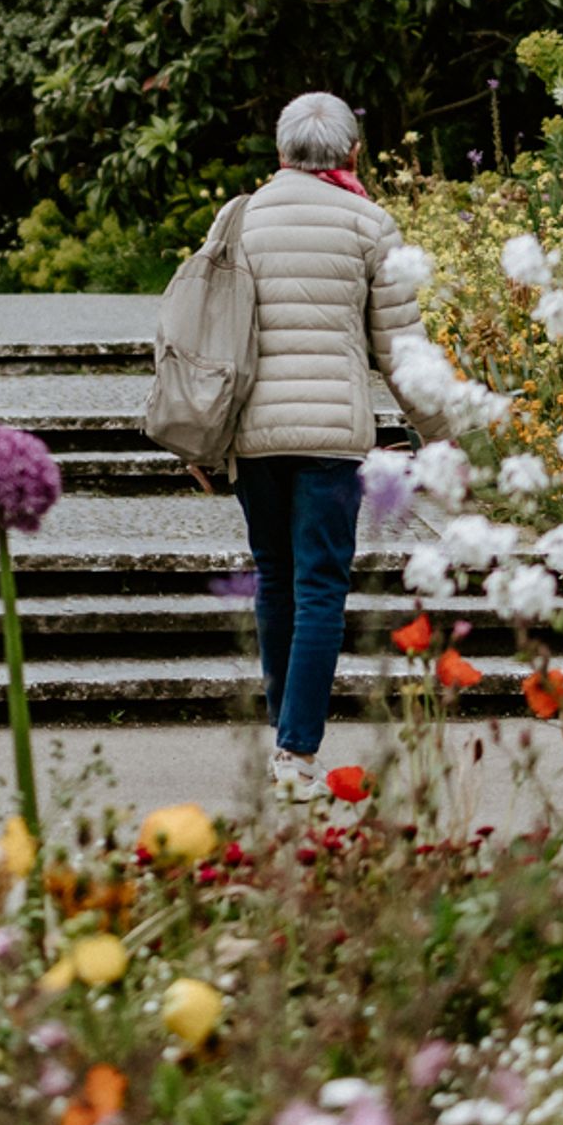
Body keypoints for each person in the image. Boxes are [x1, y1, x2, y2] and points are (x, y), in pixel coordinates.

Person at [214, 90, 433, 801]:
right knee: (319, 588)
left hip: (253, 432)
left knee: (275, 577)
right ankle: (295, 753)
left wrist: (204, 432)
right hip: (332, 437)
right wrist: (445, 434)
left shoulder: (239, 217)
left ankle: (286, 732)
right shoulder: (372, 224)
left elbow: (207, 332)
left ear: (280, 152)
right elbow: (401, 349)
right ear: (353, 153)